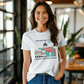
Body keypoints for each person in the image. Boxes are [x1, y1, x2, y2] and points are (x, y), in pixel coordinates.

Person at [21, 1, 66, 84]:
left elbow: (63, 57)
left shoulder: (58, 33)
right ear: (34, 15)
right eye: (38, 13)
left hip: (53, 78)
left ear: (49, 14)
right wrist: (24, 82)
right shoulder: (27, 36)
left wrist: (60, 74)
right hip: (34, 78)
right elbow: (26, 62)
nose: (41, 16)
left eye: (44, 12)